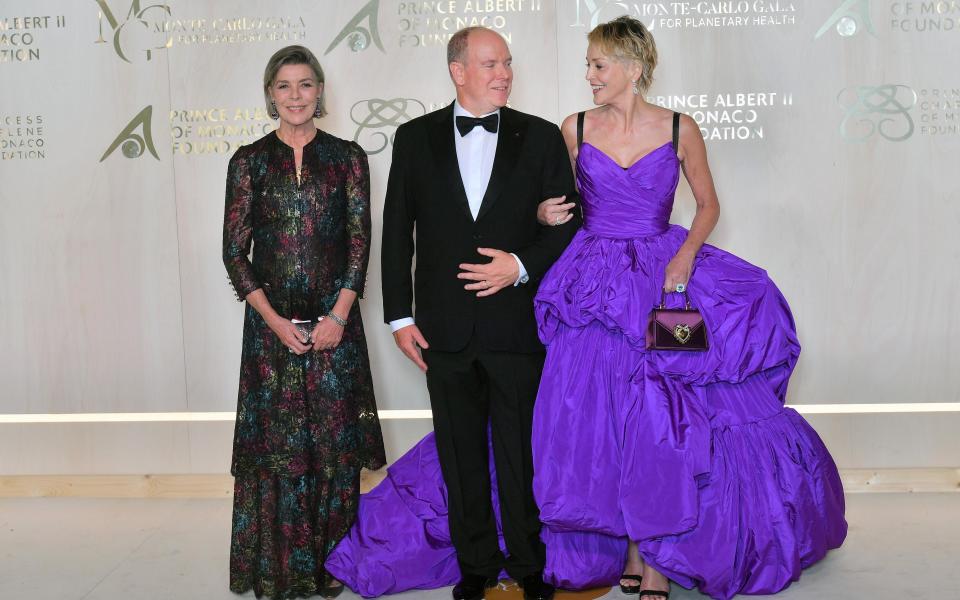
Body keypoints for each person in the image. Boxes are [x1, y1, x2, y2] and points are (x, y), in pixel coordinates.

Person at [531, 16, 847, 599]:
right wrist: (547, 215)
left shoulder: (680, 127)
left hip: (662, 279)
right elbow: (559, 200)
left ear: (632, 68)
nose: (590, 75)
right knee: (601, 419)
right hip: (594, 284)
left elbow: (707, 204)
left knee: (664, 416)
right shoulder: (573, 128)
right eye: (589, 65)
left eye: (599, 65)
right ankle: (625, 544)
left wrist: (684, 261)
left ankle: (658, 558)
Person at [327, 27, 579, 600]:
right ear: (457, 71)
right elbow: (398, 234)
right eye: (490, 64)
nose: (504, 74)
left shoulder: (539, 137)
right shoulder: (414, 138)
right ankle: (476, 566)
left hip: (515, 324)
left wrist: (517, 264)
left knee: (520, 454)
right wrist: (398, 317)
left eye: (508, 64)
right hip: (443, 328)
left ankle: (530, 565)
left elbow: (569, 225)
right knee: (460, 452)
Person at [222, 44, 385, 600]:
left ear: (320, 92)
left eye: (305, 85)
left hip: (336, 328)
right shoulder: (248, 161)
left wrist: (338, 315)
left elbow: (360, 246)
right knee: (278, 449)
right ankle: (280, 571)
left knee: (333, 448)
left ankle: (330, 567)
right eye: (285, 86)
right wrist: (273, 321)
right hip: (271, 336)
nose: (296, 95)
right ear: (271, 94)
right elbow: (233, 252)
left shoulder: (348, 157)